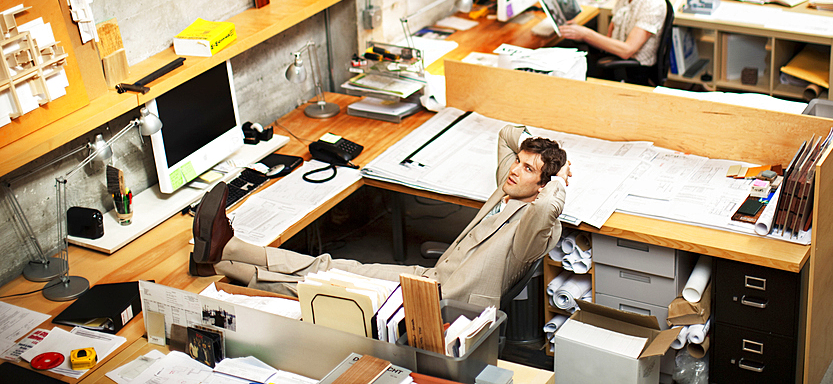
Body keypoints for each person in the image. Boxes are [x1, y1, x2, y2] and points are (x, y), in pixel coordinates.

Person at [189, 124, 570, 307]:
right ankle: (229, 249)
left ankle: (226, 263)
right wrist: (539, 152)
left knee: (329, 290)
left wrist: (560, 173)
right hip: (427, 278)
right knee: (330, 265)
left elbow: (550, 206)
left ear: (541, 185)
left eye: (528, 170)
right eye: (518, 162)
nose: (515, 170)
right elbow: (506, 134)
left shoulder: (534, 225)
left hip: (442, 303)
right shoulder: (508, 185)